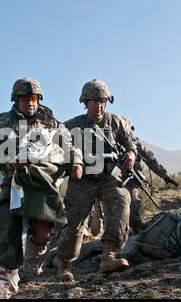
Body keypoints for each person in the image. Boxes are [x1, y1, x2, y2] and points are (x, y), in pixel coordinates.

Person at [0, 78, 83, 298]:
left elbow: (68, 142)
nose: (30, 103)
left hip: (43, 181)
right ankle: (5, 275)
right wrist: (9, 163)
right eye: (25, 99)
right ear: (16, 100)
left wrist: (76, 161)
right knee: (8, 223)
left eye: (34, 98)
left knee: (44, 233)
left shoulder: (49, 119)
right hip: (16, 179)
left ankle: (32, 261)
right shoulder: (5, 120)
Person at [56, 79, 137, 281]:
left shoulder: (115, 121)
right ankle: (64, 267)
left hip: (109, 178)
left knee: (121, 201)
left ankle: (108, 257)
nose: (98, 105)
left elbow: (130, 144)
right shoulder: (72, 125)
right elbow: (58, 141)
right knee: (74, 223)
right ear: (85, 102)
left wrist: (131, 154)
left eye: (102, 101)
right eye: (93, 101)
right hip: (82, 181)